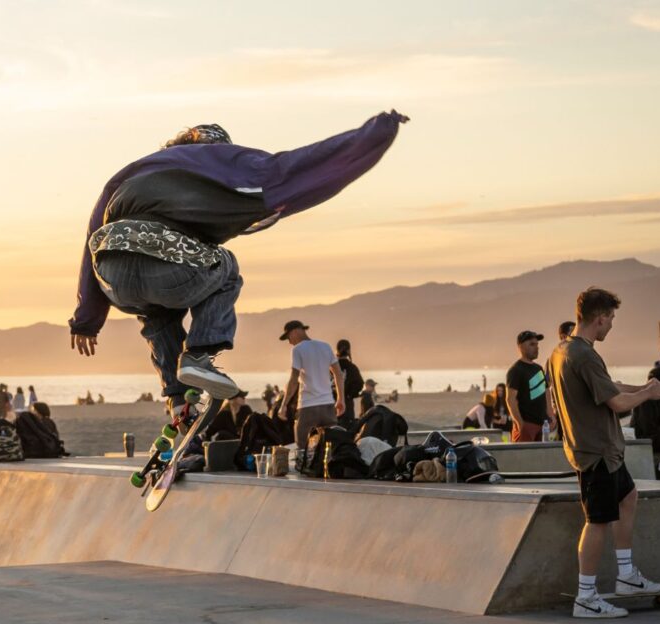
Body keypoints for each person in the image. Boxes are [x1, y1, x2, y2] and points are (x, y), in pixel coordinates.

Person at [69, 112, 408, 413]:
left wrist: (87, 319)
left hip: (112, 276)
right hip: (167, 261)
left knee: (156, 313)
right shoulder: (220, 157)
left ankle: (176, 396)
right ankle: (199, 356)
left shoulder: (133, 169)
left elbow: (90, 238)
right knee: (225, 267)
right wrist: (374, 134)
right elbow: (292, 166)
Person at [547, 287, 660, 618]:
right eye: (611, 318)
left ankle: (627, 576)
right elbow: (616, 402)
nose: (612, 324)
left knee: (628, 496)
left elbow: (607, 385)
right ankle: (586, 597)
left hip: (605, 451)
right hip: (595, 451)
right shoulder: (584, 355)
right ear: (599, 318)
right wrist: (645, 394)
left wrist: (647, 389)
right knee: (597, 522)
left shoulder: (562, 350)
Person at [279, 321, 345, 449]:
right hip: (328, 406)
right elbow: (338, 374)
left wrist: (284, 405)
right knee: (330, 447)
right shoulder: (325, 346)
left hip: (308, 406)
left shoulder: (297, 349)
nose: (289, 342)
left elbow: (293, 379)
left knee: (302, 448)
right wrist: (340, 399)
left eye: (288, 337)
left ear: (295, 331)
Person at [506, 330, 556, 442]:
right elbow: (511, 399)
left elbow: (546, 391)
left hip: (543, 424)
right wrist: (520, 423)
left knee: (539, 456)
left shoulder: (538, 368)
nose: (536, 347)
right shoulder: (516, 370)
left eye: (537, 344)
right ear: (520, 347)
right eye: (532, 344)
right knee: (523, 457)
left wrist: (551, 415)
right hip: (526, 424)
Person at [630, 363, 660, 457]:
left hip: (655, 434)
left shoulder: (658, 399)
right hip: (646, 437)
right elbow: (647, 429)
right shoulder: (645, 399)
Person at [334, 339, 364, 428]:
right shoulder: (352, 367)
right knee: (346, 430)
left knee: (331, 431)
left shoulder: (331, 367)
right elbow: (359, 384)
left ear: (337, 350)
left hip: (331, 403)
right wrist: (349, 395)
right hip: (347, 404)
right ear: (349, 351)